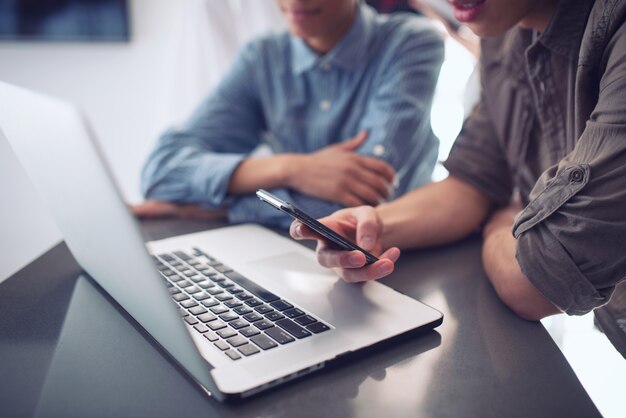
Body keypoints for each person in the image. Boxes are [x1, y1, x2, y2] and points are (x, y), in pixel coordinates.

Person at [291, 0, 626, 324]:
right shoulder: (502, 33)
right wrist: (370, 226)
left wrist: (502, 220)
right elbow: (472, 181)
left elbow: (533, 285)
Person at [135, 0, 444, 229]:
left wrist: (217, 207)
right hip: (287, 253)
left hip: (399, 255)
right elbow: (162, 169)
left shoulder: (412, 42)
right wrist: (291, 168)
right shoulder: (263, 56)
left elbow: (362, 201)